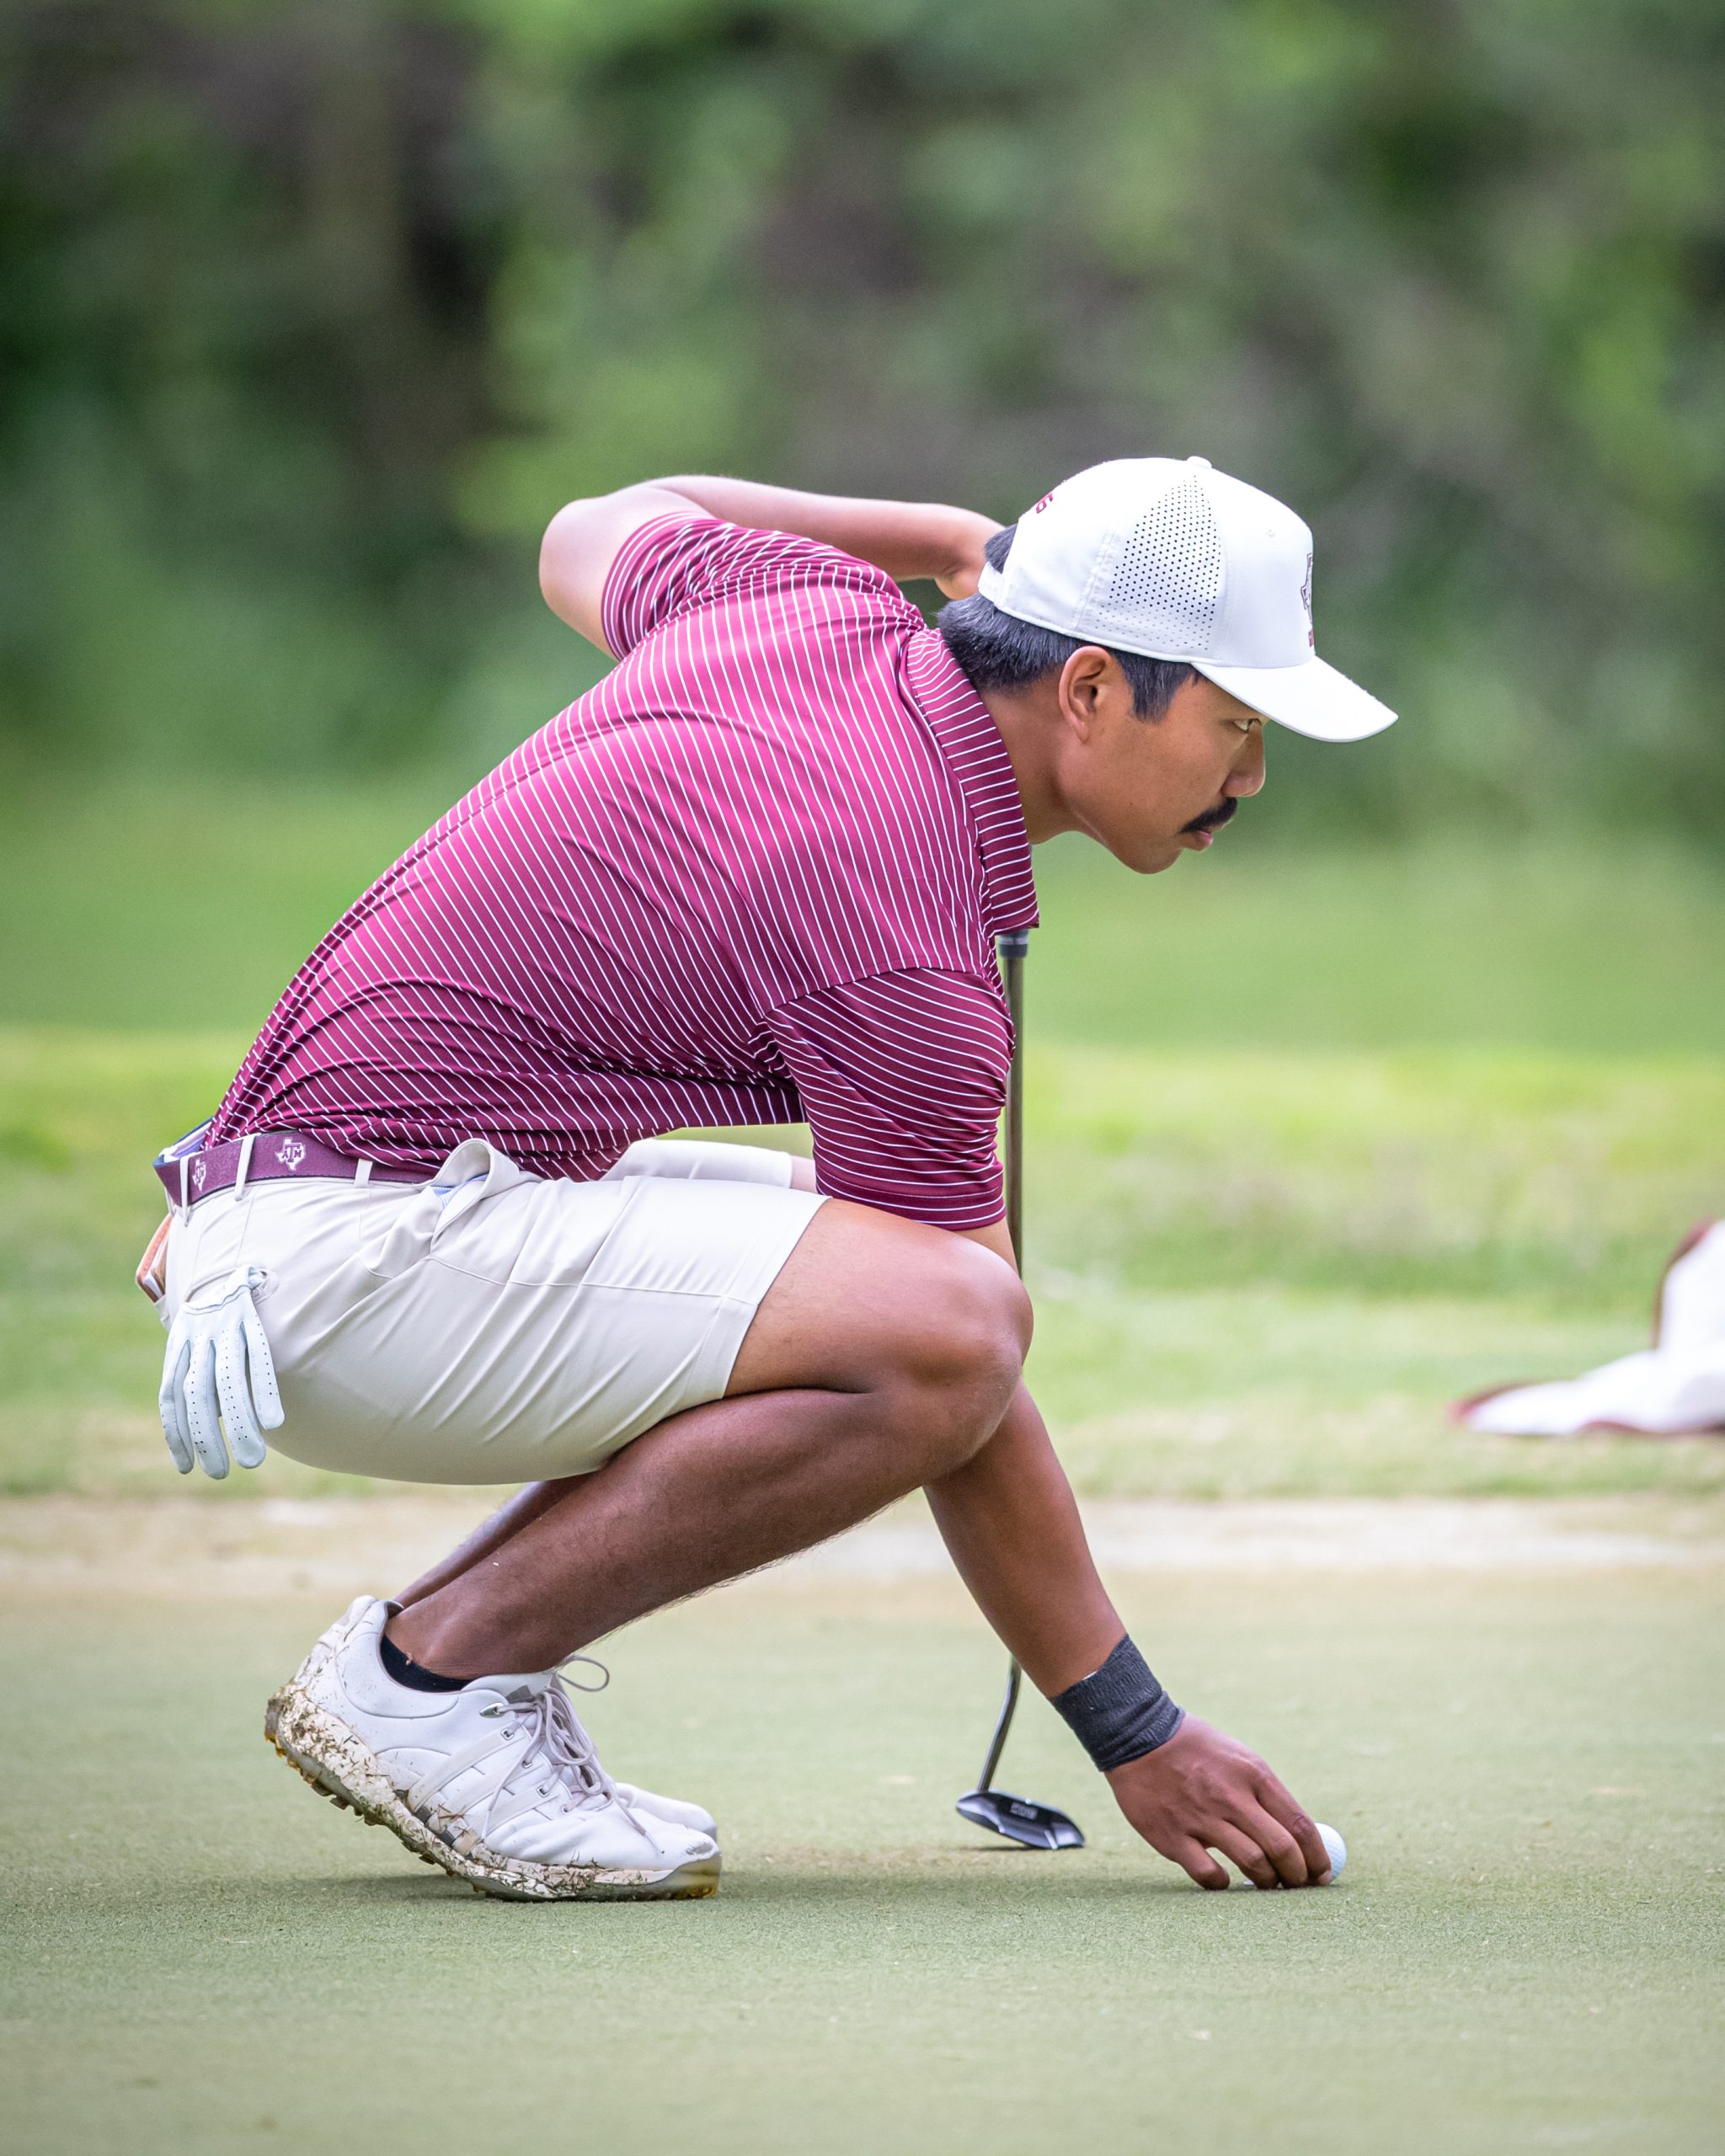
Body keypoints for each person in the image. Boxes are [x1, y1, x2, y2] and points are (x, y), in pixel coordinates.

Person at [140, 456, 1396, 1903]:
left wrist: (937, 536)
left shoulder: (801, 597)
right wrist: (1135, 1731)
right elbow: (955, 1364)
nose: (1251, 778)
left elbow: (587, 528)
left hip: (331, 1214)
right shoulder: (895, 925)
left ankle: (429, 1664)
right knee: (954, 1323)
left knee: (914, 1299)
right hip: (342, 1275)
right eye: (1237, 724)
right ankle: (434, 1682)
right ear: (1093, 691)